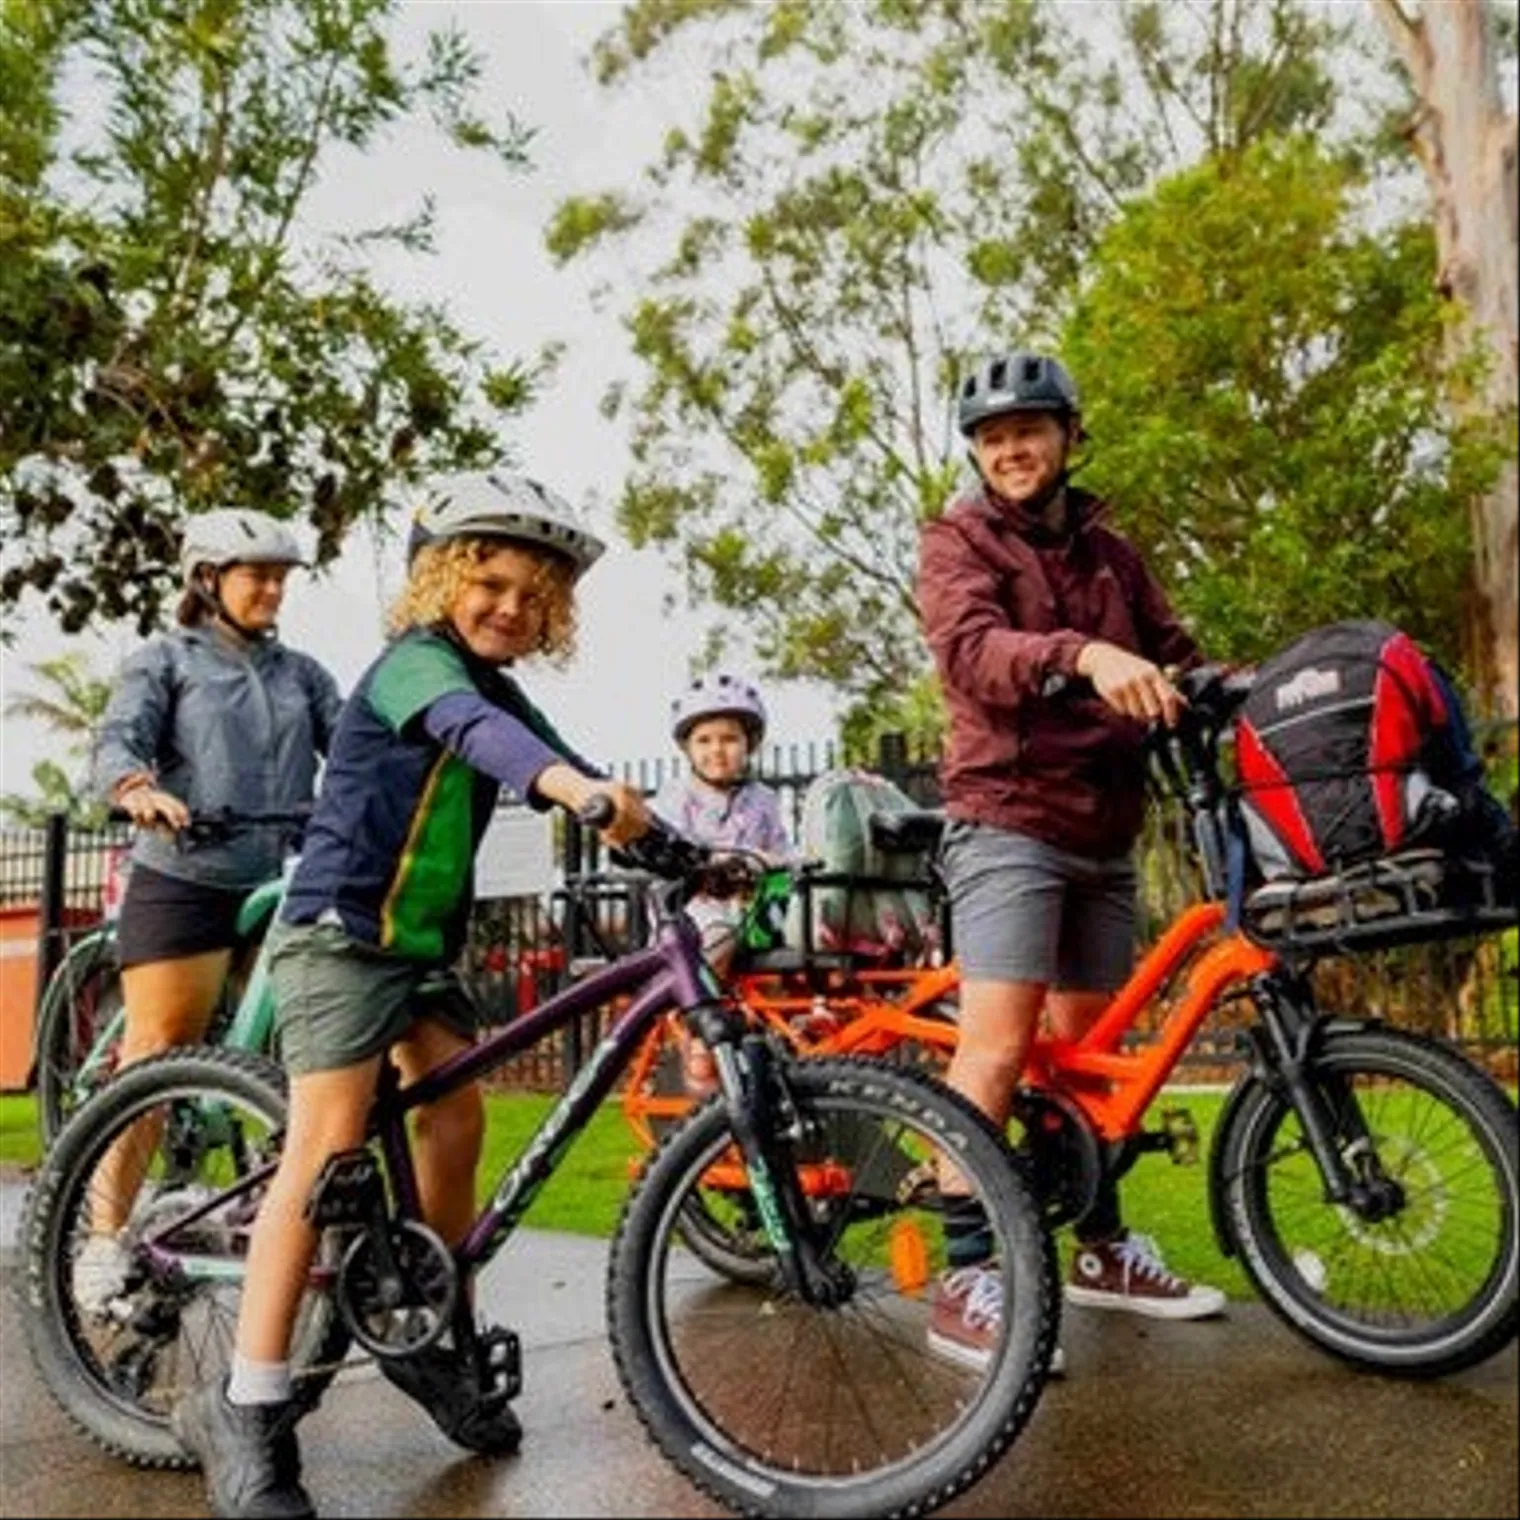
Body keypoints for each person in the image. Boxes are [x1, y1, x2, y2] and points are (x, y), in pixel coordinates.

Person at [171, 470, 652, 1520]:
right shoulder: (413, 668)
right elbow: (495, 747)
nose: (511, 608)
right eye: (489, 581)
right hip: (341, 935)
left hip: (421, 948)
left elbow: (554, 753)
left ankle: (430, 1326)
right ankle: (246, 1404)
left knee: (455, 1113)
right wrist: (571, 790)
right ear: (438, 576)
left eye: (535, 596)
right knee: (328, 1140)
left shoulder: (496, 683)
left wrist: (669, 838)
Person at [916, 351, 1226, 1371]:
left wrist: (1231, 683)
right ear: (977, 452)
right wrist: (1079, 652)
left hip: (1104, 826)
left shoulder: (1109, 551)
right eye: (990, 436)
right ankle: (963, 1274)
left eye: (1028, 429)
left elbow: (1172, 651)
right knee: (996, 1048)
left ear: (1066, 435)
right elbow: (970, 653)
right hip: (1006, 817)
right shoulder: (956, 540)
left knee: (1089, 1068)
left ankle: (1098, 1250)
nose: (1009, 448)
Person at [77, 508, 342, 1314]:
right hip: (186, 871)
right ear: (208, 580)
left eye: (279, 575)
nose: (271, 588)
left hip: (281, 877)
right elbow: (118, 741)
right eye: (255, 573)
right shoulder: (165, 660)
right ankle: (101, 1239)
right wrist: (138, 790)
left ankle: (274, 1203)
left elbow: (358, 747)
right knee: (158, 1052)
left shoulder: (302, 674)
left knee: (312, 1052)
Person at [652, 672, 793, 1091]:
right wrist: (714, 862)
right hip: (693, 908)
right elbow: (671, 853)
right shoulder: (675, 798)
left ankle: (797, 1032)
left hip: (752, 907)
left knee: (804, 933)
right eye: (705, 740)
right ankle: (700, 1026)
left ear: (749, 744)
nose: (718, 750)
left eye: (729, 739)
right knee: (718, 932)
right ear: (687, 747)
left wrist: (780, 862)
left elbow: (781, 851)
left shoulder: (763, 800)